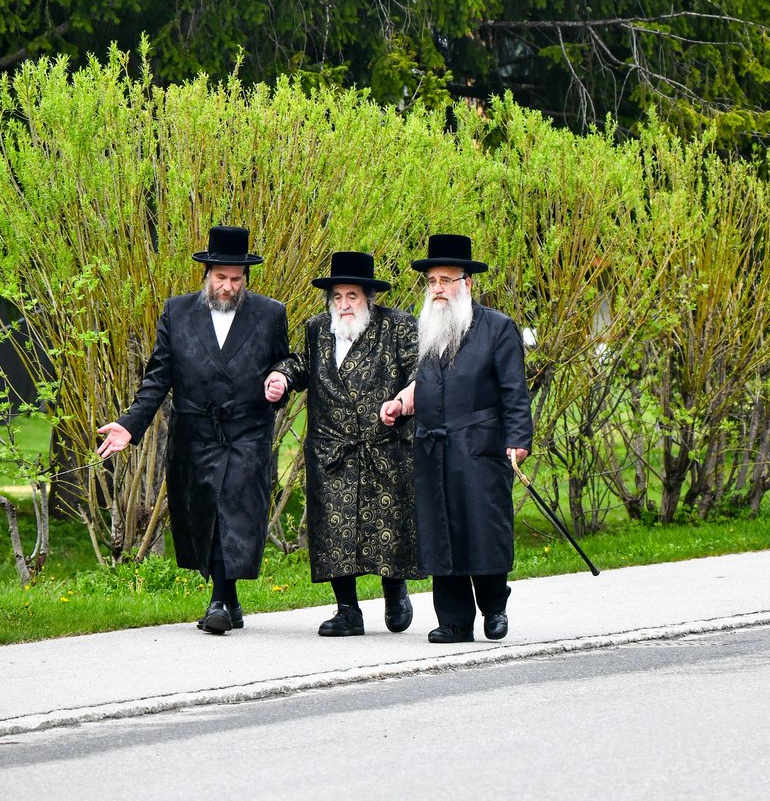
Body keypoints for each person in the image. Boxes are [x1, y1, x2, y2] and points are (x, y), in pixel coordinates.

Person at [97, 225, 289, 636]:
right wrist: (131, 426)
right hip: (196, 433)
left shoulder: (270, 313)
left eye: (236, 279)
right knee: (205, 513)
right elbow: (158, 376)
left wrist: (279, 381)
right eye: (221, 277)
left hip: (246, 431)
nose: (228, 286)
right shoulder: (178, 312)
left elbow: (283, 363)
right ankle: (231, 599)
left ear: (246, 278)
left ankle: (219, 601)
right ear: (207, 275)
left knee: (232, 511)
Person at [380, 232, 532, 644]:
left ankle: (494, 607)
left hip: (480, 448)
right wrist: (401, 403)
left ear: (467, 283)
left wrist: (518, 439)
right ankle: (453, 621)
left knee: (483, 529)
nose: (438, 290)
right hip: (433, 448)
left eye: (446, 280)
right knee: (441, 534)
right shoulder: (427, 330)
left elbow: (514, 391)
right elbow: (426, 383)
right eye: (432, 282)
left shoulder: (497, 328)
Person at [265, 251, 419, 637]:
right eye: (338, 296)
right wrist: (282, 376)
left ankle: (395, 592)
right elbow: (303, 363)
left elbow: (421, 370)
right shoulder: (318, 328)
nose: (344, 304)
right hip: (331, 449)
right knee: (334, 529)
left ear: (368, 296)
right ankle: (347, 610)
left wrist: (402, 401)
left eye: (352, 295)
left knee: (388, 526)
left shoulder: (396, 327)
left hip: (384, 446)